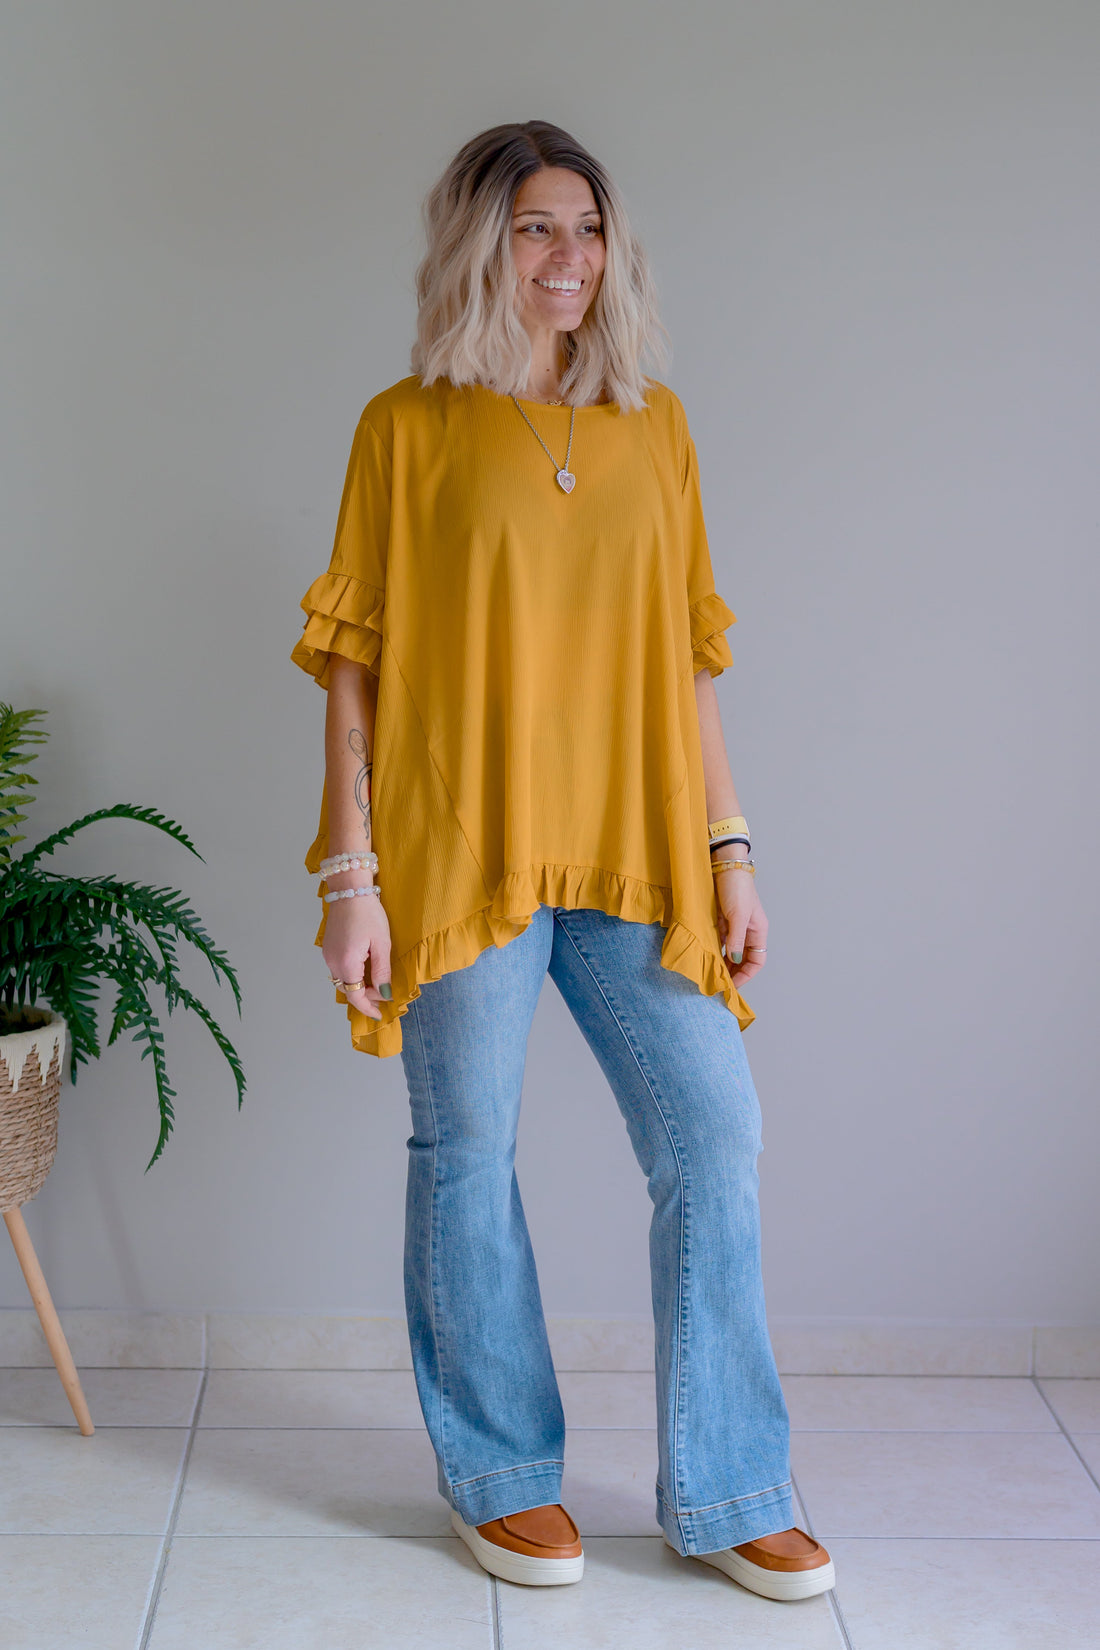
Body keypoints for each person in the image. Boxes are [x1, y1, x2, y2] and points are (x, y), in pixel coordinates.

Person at [290, 119, 834, 1603]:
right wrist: (352, 874)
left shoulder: (657, 429)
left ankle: (730, 1489)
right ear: (484, 242)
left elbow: (689, 664)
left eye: (588, 228)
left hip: (636, 849)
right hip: (461, 847)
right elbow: (355, 668)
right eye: (537, 226)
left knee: (714, 1138)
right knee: (467, 1151)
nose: (569, 256)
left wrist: (731, 849)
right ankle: (502, 1477)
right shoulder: (405, 428)